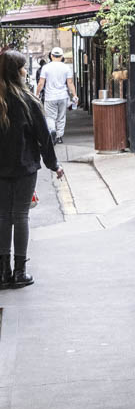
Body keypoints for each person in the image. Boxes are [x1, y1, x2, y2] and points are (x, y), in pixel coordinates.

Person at [0, 50, 64, 289]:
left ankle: (3, 270)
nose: (25, 71)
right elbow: (44, 136)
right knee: (20, 216)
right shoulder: (28, 101)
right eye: (23, 67)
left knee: (3, 217)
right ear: (18, 72)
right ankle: (19, 271)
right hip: (25, 166)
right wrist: (53, 164)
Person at [36, 48, 77, 143]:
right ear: (62, 56)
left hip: (50, 96)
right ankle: (59, 137)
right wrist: (74, 95)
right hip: (63, 96)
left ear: (51, 56)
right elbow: (70, 83)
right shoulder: (66, 67)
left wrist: (37, 94)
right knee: (61, 116)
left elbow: (41, 83)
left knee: (50, 117)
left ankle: (52, 130)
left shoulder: (45, 67)